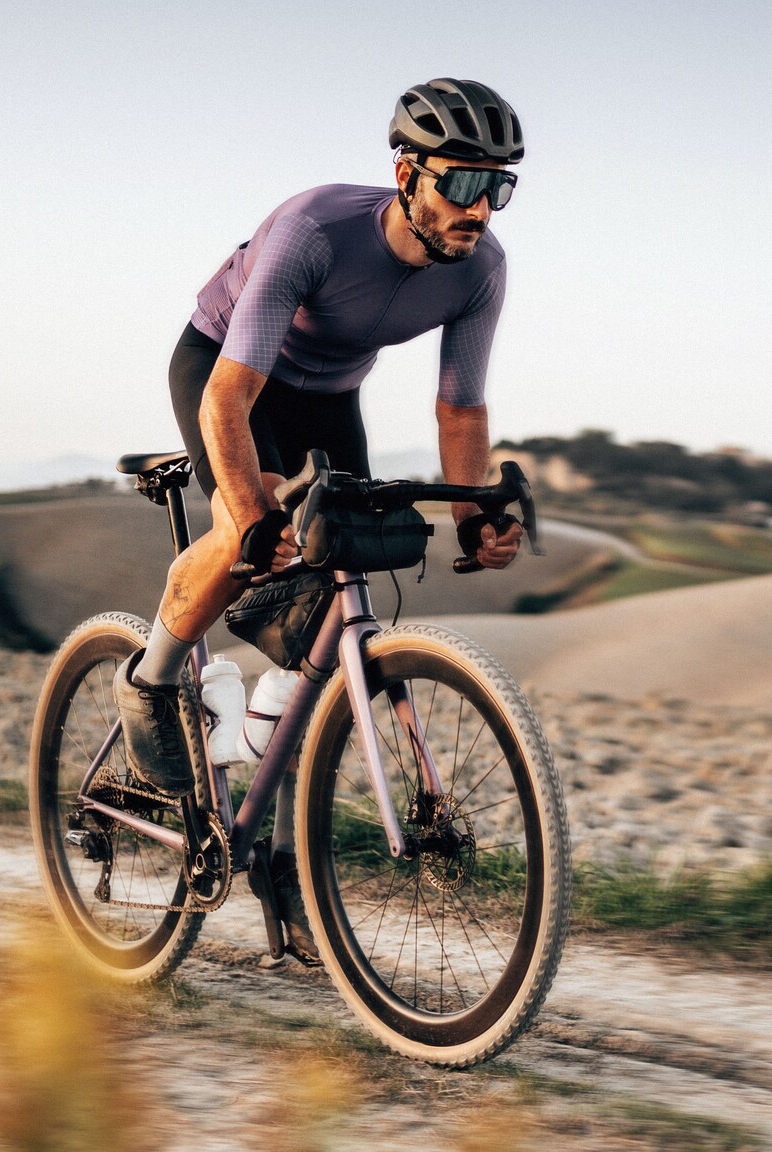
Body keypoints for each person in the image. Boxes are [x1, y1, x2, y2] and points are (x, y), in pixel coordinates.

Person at [114, 78, 529, 962]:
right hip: (230, 372)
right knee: (247, 532)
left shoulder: (482, 272)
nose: (480, 209)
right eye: (460, 183)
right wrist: (257, 511)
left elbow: (461, 410)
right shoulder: (315, 230)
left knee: (343, 574)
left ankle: (269, 819)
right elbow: (230, 393)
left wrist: (474, 513)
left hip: (329, 396)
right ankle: (150, 681)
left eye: (500, 188)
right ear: (406, 174)